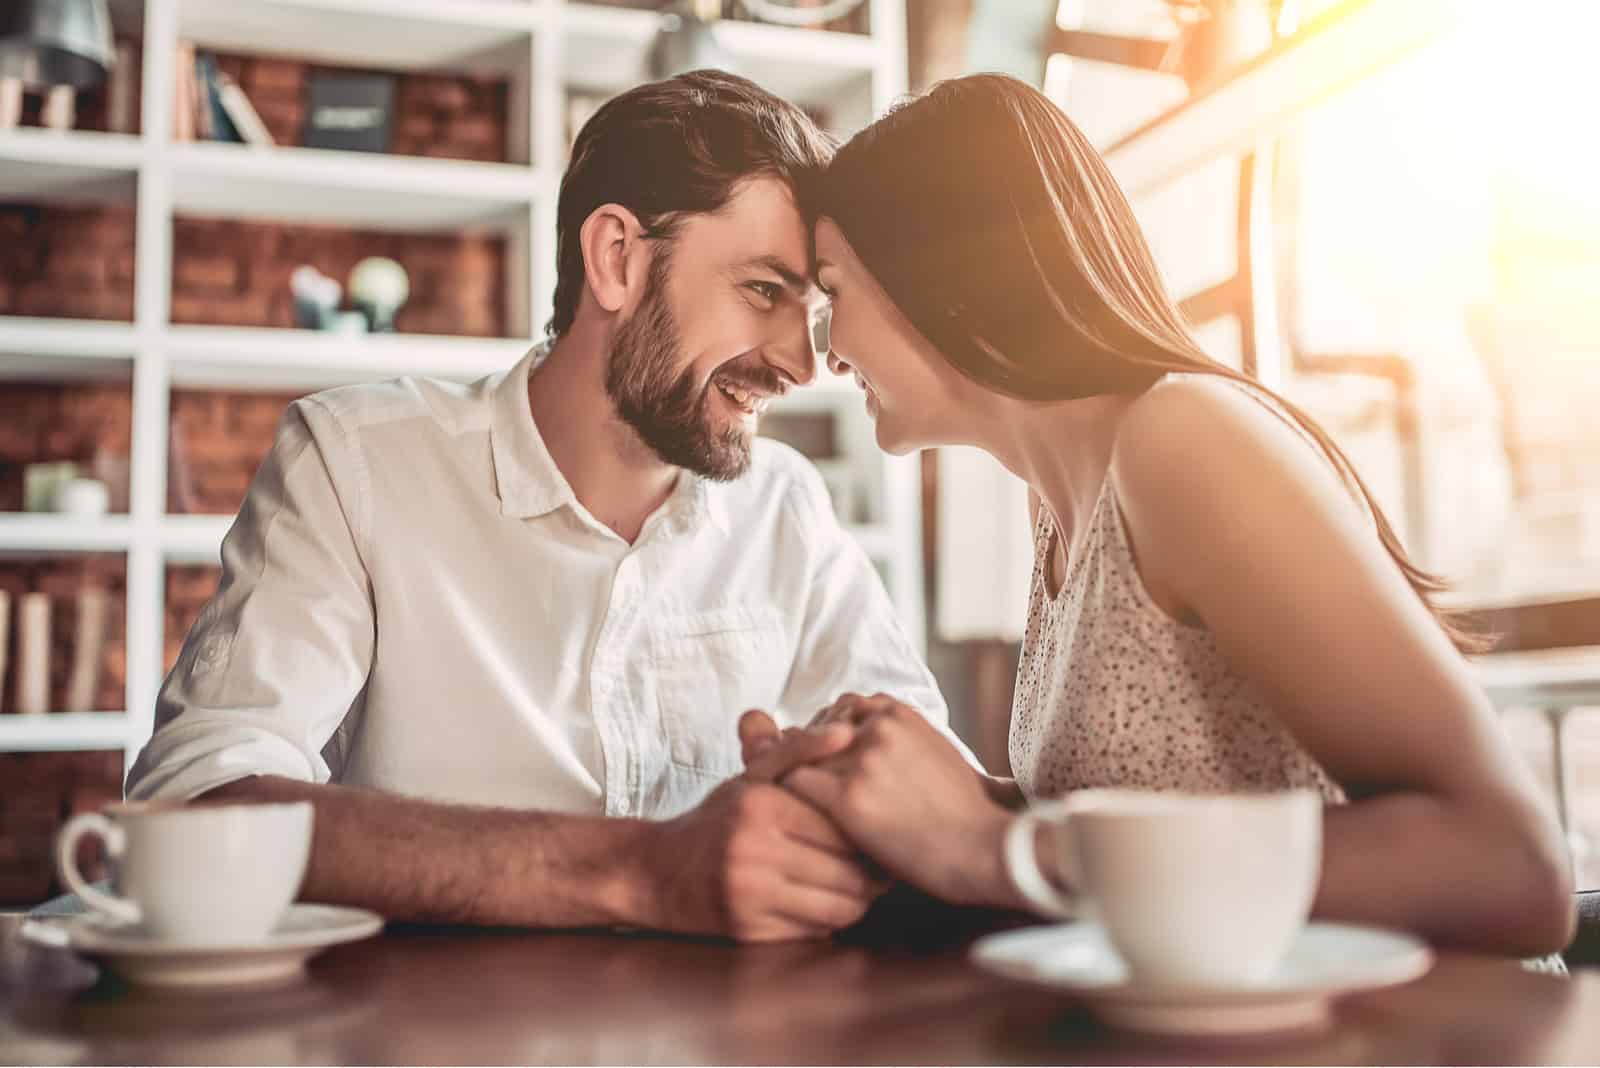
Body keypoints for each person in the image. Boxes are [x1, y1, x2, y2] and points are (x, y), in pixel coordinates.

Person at [742, 74, 1575, 958]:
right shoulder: (1058, 505)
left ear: (941, 275)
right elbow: (1165, 806)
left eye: (835, 294)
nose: (826, 353)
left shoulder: (1183, 440)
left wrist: (998, 847)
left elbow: (1513, 868)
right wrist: (938, 802)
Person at [126, 71, 966, 943]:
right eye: (763, 291)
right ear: (616, 259)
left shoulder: (788, 509)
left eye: (814, 310)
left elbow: (929, 800)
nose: (802, 363)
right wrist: (642, 871)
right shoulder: (357, 462)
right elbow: (196, 804)